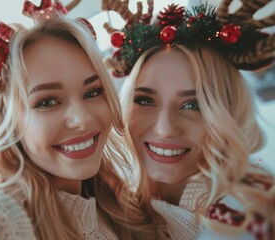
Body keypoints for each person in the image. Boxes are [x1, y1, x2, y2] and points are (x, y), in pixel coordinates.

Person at [0, 18, 155, 240]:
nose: (81, 119)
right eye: (47, 101)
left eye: (92, 92)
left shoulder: (116, 202)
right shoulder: (4, 214)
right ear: (10, 121)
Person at [104, 0, 275, 239]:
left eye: (193, 105)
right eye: (144, 100)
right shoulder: (117, 204)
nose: (164, 129)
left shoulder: (247, 215)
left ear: (228, 112)